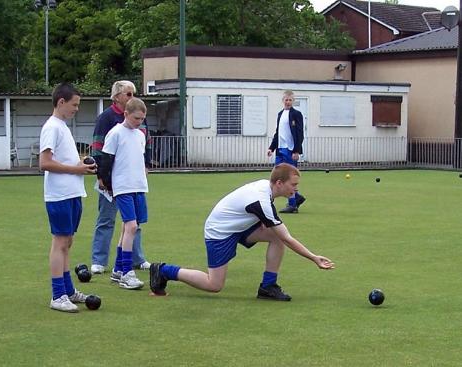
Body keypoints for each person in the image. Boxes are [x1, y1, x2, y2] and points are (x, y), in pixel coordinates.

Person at [149, 163, 334, 301]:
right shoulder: (261, 200)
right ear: (279, 183)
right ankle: (164, 270)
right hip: (220, 231)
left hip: (239, 225)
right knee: (214, 285)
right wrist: (314, 258)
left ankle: (268, 287)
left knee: (275, 238)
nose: (296, 188)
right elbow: (288, 238)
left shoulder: (266, 188)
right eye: (293, 184)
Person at [39, 83, 97, 312]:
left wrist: (80, 163)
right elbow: (45, 163)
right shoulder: (51, 127)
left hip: (72, 193)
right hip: (59, 195)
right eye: (74, 104)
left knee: (67, 243)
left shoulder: (62, 126)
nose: (77, 109)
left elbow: (61, 159)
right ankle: (57, 295)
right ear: (61, 102)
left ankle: (68, 290)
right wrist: (77, 169)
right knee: (60, 242)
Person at [90, 80, 151, 275]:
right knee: (109, 219)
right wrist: (103, 177)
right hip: (117, 182)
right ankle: (102, 262)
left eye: (133, 94)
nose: (132, 97)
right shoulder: (107, 120)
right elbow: (101, 150)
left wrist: (146, 166)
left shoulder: (139, 126)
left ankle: (132, 261)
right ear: (117, 97)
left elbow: (143, 149)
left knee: (132, 225)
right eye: (128, 94)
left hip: (136, 184)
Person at [267, 90, 306, 214]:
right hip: (280, 149)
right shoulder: (280, 114)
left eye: (290, 100)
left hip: (290, 150)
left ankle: (292, 205)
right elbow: (278, 133)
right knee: (277, 174)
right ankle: (295, 197)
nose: (288, 102)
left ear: (293, 101)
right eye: (286, 100)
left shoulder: (297, 114)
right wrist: (271, 148)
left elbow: (300, 134)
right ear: (283, 101)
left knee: (289, 176)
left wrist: (296, 150)